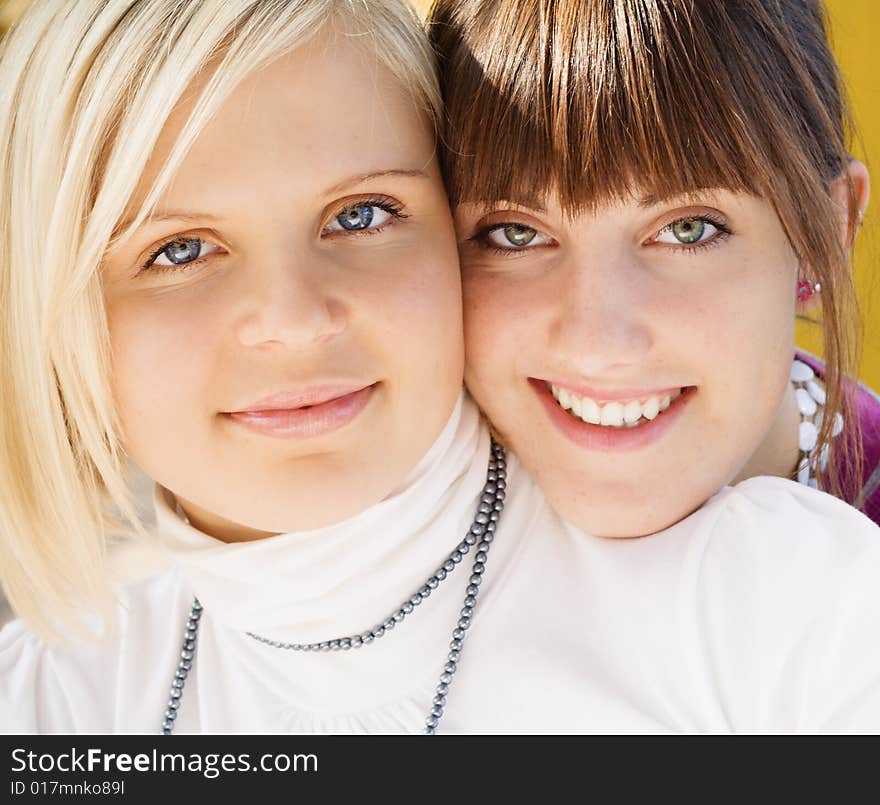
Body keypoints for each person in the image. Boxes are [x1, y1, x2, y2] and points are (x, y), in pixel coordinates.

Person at [2, 0, 880, 736]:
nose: (296, 321)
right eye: (180, 248)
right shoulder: (48, 703)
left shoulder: (786, 602)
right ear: (51, 305)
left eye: (362, 214)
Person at [428, 0, 880, 536]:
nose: (597, 347)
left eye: (688, 229)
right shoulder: (374, 521)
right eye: (516, 233)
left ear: (824, 232)